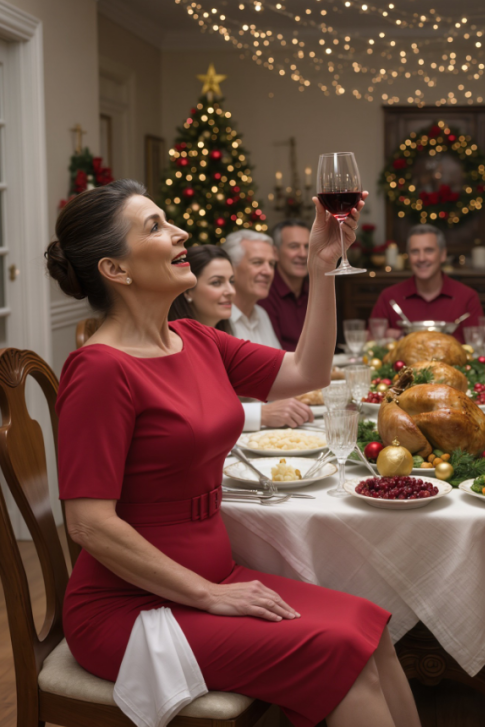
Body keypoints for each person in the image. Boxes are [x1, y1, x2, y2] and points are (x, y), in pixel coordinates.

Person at [46, 179, 421, 727]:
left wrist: (321, 267)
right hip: (129, 608)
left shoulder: (195, 338)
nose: (179, 233)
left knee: (371, 627)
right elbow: (88, 525)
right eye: (154, 227)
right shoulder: (100, 368)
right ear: (116, 270)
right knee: (339, 650)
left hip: (212, 578)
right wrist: (207, 595)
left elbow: (307, 373)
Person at [169, 244, 313, 430]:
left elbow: (283, 374)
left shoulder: (224, 338)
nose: (230, 291)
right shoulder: (173, 342)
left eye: (231, 281)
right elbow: (189, 412)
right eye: (216, 282)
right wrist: (260, 414)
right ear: (188, 290)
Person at [369, 225, 484, 342]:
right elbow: (370, 343)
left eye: (429, 250)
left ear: (443, 254)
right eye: (415, 251)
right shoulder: (388, 297)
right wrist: (383, 338)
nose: (421, 258)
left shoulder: (468, 297)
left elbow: (479, 347)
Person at [260, 219, 311, 351]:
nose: (303, 254)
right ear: (275, 253)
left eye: (307, 247)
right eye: (294, 246)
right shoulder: (265, 294)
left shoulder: (315, 292)